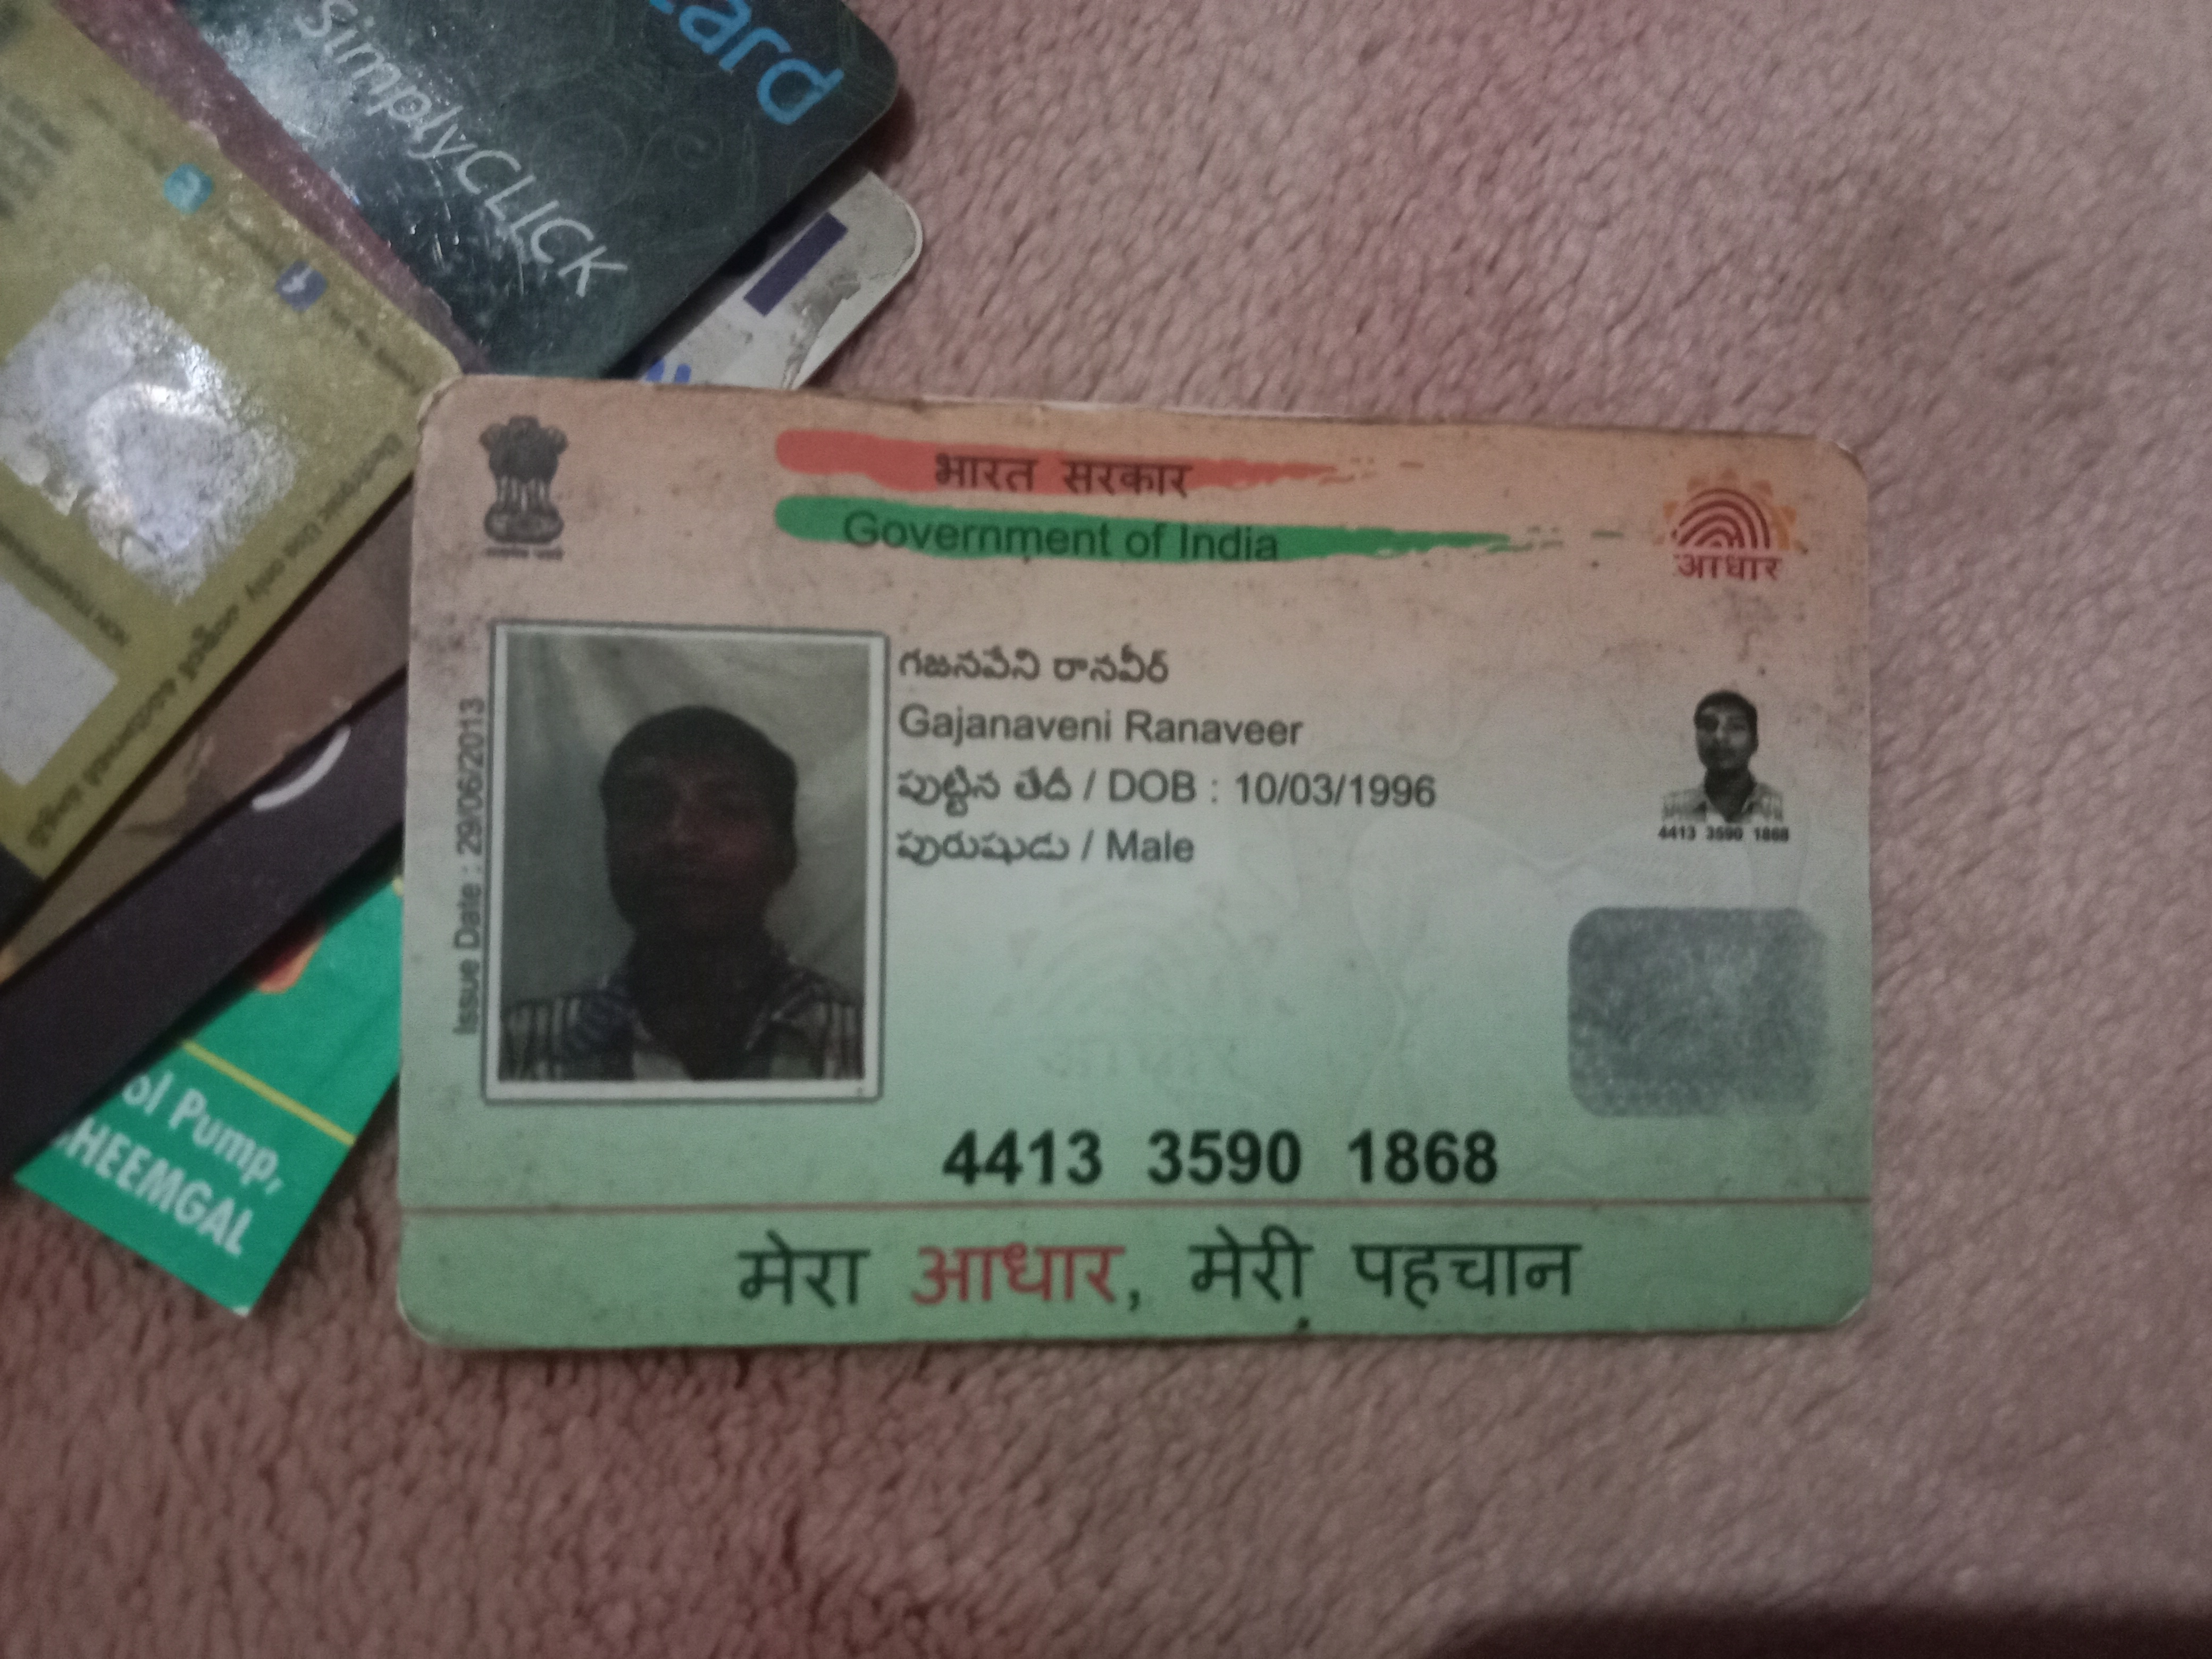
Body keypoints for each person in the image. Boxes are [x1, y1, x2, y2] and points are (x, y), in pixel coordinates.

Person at [501, 706, 862, 1082]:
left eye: (727, 809)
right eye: (646, 807)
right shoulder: (516, 1049)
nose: (680, 837)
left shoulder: (868, 1045)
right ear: (609, 848)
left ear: (785, 856)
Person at [1663, 690, 1784, 826]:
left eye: (1735, 727)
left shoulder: (1783, 807)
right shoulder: (1671, 809)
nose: (1719, 737)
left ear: (1755, 742)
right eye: (1708, 726)